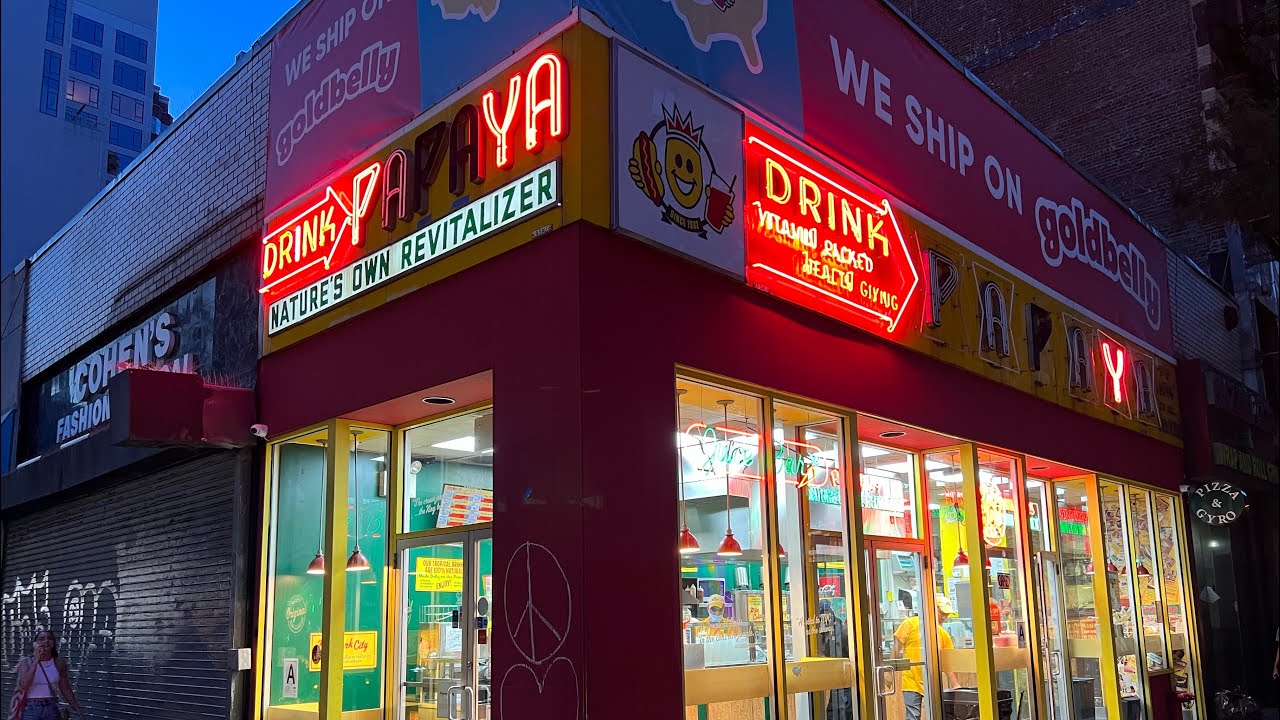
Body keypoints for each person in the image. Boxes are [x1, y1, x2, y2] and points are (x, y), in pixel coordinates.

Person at [893, 594, 961, 720]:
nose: (945, 617)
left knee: (936, 714)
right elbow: (896, 648)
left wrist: (955, 684)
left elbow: (948, 662)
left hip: (932, 681)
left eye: (947, 615)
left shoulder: (943, 634)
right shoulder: (910, 624)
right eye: (942, 613)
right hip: (911, 680)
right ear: (933, 609)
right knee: (913, 716)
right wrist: (889, 671)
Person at [11, 630, 84, 720]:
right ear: (35, 644)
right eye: (41, 639)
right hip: (30, 707)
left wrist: (77, 709)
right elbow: (24, 685)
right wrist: (36, 660)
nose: (46, 641)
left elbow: (65, 689)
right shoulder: (26, 663)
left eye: (50, 638)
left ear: (53, 643)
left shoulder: (59, 663)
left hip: (51, 706)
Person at [817, 600, 853, 720]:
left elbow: (851, 657)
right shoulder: (825, 632)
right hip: (834, 681)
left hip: (844, 681)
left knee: (841, 713)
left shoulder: (842, 633)